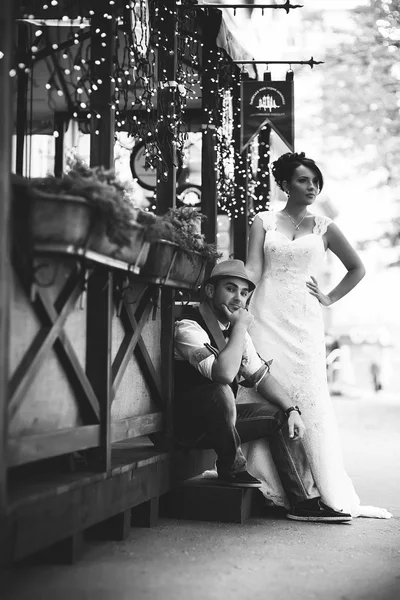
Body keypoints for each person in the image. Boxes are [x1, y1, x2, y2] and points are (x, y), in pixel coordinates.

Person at [245, 151, 391, 519]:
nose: (312, 187)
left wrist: (330, 298)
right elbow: (253, 268)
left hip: (305, 322)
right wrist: (233, 298)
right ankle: (267, 485)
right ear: (285, 184)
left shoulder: (324, 226)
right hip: (266, 315)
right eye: (303, 181)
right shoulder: (263, 221)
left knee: (309, 396)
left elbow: (357, 268)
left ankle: (321, 488)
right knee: (268, 391)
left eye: (315, 182)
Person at [174, 259, 353, 523]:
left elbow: (260, 377)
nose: (238, 299)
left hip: (222, 422)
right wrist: (242, 327)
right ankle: (232, 468)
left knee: (278, 415)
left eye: (244, 293)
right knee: (220, 390)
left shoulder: (235, 330)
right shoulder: (188, 326)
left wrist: (292, 409)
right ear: (210, 291)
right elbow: (222, 374)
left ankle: (303, 502)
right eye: (231, 289)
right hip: (187, 427)